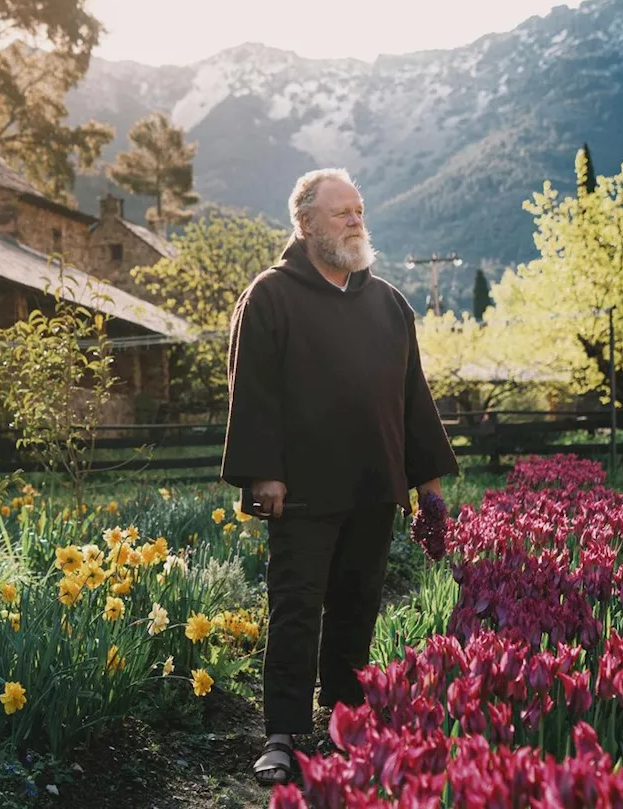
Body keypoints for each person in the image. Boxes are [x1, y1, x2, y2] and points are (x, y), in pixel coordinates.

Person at [220, 168, 459, 786]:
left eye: (359, 211)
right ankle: (281, 732)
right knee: (297, 607)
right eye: (341, 213)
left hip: (376, 486)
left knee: (357, 606)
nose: (356, 221)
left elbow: (413, 397)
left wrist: (427, 484)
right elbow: (253, 393)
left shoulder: (387, 304)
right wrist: (263, 475)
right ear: (304, 225)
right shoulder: (270, 296)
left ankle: (344, 721)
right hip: (302, 491)